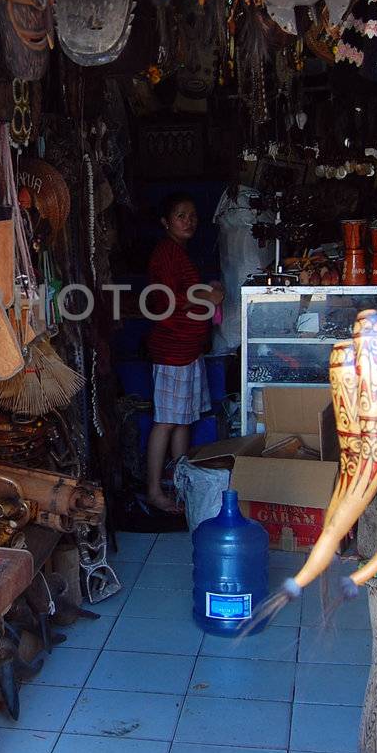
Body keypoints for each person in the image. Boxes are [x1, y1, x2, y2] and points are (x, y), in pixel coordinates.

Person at [144, 193, 224, 513]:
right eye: (180, 215)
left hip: (188, 350)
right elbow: (165, 300)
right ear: (166, 222)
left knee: (183, 421)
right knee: (166, 422)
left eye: (192, 215)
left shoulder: (181, 252)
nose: (188, 221)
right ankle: (154, 492)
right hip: (172, 350)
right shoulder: (166, 253)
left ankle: (180, 484)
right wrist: (208, 294)